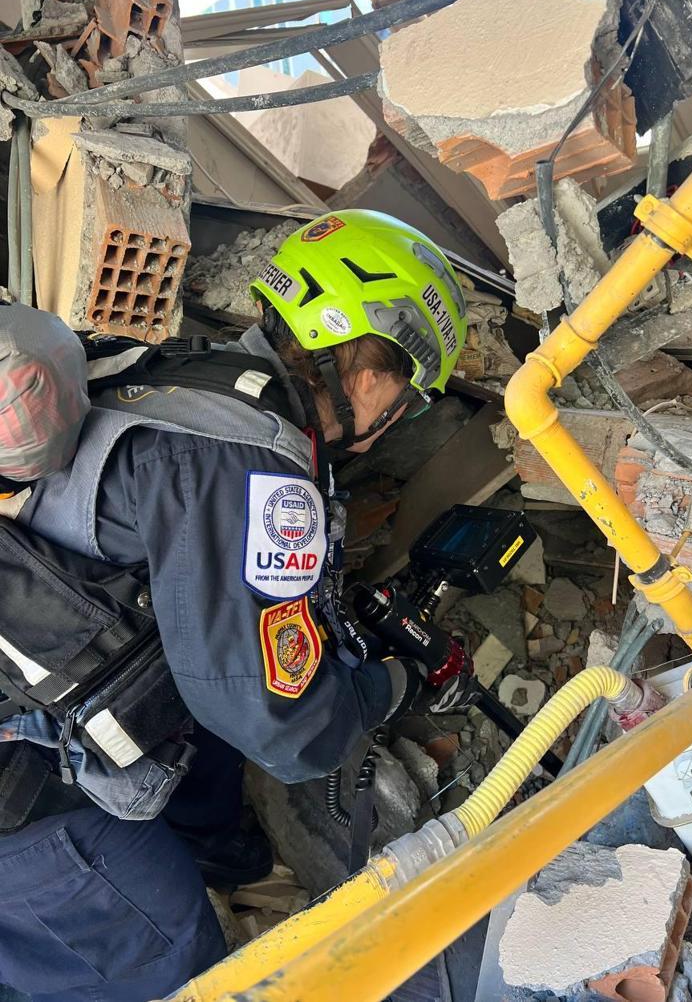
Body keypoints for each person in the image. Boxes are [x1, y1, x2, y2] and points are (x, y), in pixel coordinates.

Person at [0, 210, 468, 1001]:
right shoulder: (250, 464)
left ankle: (230, 862)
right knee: (176, 966)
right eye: (411, 399)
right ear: (370, 373)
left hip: (44, 705)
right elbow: (283, 726)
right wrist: (392, 684)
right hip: (32, 805)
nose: (398, 417)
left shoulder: (186, 378)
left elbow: (206, 649)